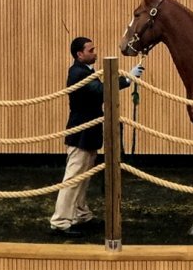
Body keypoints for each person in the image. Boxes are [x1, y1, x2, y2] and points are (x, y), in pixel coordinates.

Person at [49, 36, 144, 236]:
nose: (95, 52)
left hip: (89, 133)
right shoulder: (77, 73)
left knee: (83, 178)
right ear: (79, 54)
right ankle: (60, 221)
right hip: (81, 133)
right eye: (91, 50)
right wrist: (127, 79)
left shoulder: (87, 71)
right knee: (73, 178)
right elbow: (100, 90)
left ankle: (80, 214)